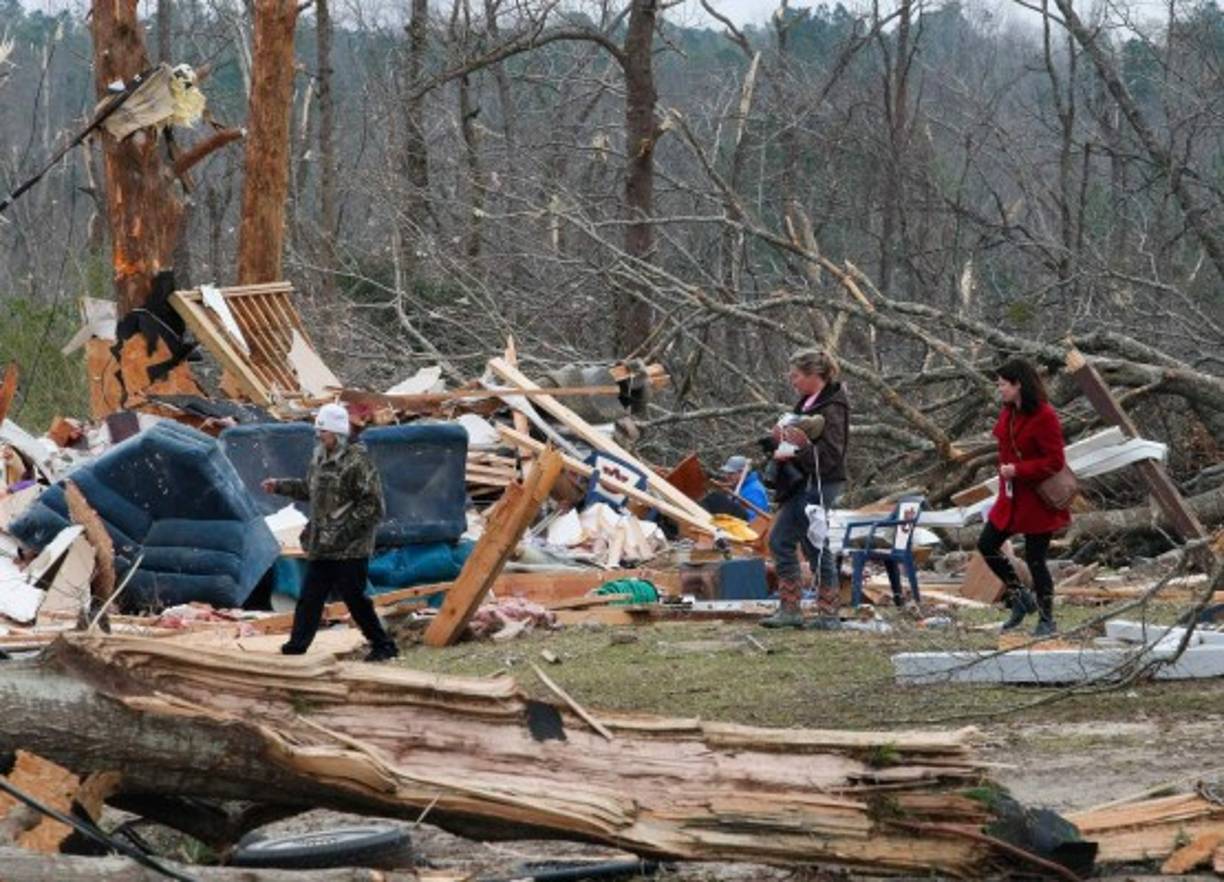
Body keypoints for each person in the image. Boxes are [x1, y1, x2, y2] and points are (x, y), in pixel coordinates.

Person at [262, 403, 399, 661]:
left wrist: (343, 533)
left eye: (322, 431)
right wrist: (280, 486)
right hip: (322, 544)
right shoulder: (319, 457)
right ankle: (297, 646)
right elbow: (311, 490)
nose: (318, 436)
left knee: (355, 599)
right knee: (310, 597)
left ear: (336, 432)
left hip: (350, 548)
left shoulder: (358, 462)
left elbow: (373, 506)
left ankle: (383, 645)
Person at [977, 358, 1070, 637]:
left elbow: (1055, 461)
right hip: (1010, 498)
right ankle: (1019, 597)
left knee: (1036, 560)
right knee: (987, 544)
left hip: (1037, 500)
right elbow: (1005, 445)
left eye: (1003, 384)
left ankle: (1046, 619)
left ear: (1018, 385)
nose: (1000, 390)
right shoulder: (1009, 412)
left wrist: (1018, 469)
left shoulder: (1044, 415)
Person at [760, 349, 850, 630]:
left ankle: (802, 611)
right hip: (804, 484)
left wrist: (798, 448)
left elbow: (831, 455)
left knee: (788, 541)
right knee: (808, 545)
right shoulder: (809, 403)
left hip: (817, 484)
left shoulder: (832, 408)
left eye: (797, 375)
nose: (792, 380)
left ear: (815, 376)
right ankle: (821, 613)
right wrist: (775, 442)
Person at [700, 455, 770, 524]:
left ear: (741, 472)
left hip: (745, 528)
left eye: (731, 474)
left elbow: (752, 519)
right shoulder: (738, 486)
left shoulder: (755, 491)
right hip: (737, 521)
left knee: (715, 498)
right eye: (727, 473)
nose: (727, 477)